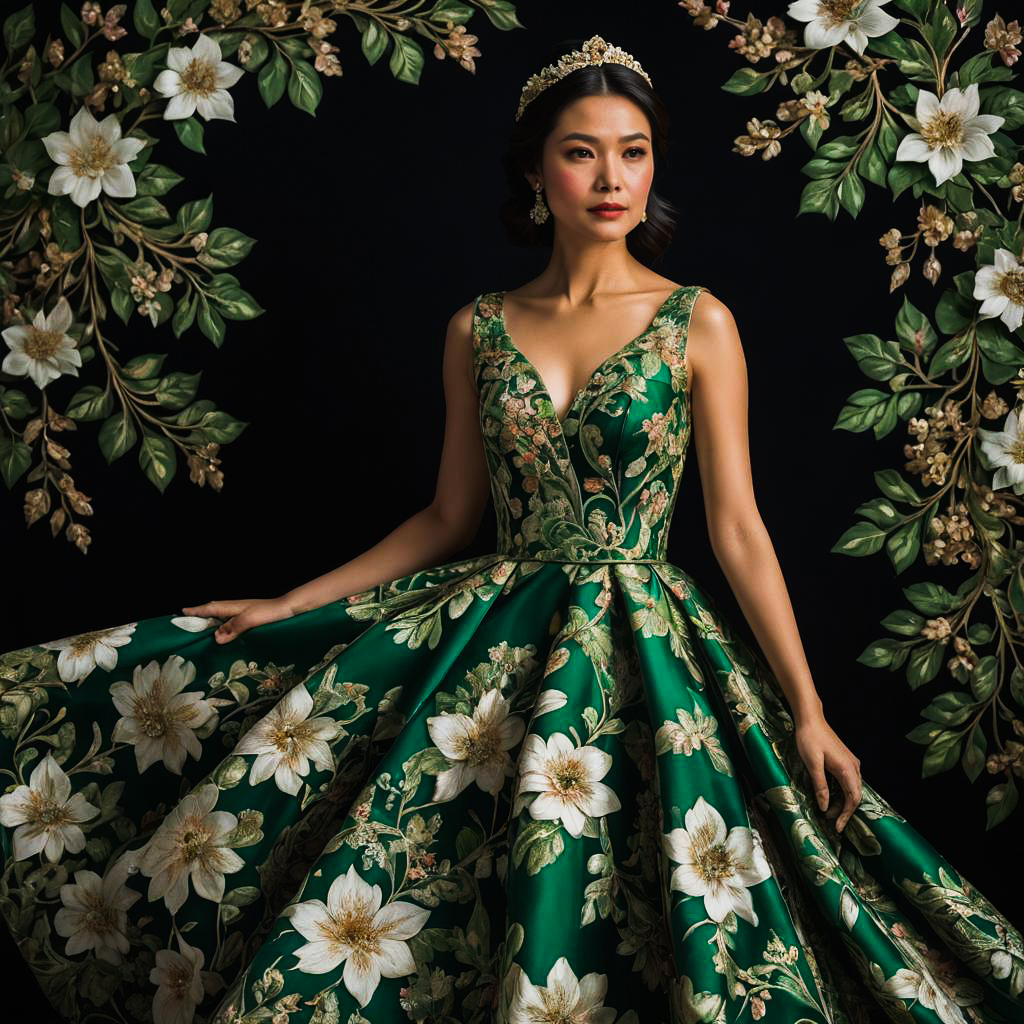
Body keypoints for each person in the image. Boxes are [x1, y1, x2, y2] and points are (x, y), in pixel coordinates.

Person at [1, 33, 1022, 1024]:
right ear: (537, 170)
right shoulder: (477, 327)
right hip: (499, 637)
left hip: (647, 651)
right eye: (582, 151)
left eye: (634, 151)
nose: (611, 176)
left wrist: (805, 708)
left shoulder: (697, 320)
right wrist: (292, 602)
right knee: (450, 891)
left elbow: (738, 527)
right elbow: (450, 514)